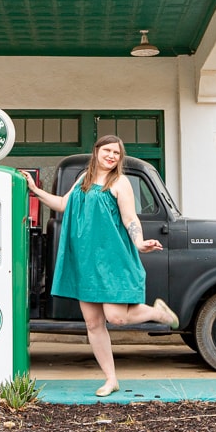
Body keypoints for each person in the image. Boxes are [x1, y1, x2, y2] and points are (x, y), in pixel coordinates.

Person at [24, 135, 179, 397]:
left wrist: (139, 242)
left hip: (112, 258)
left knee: (116, 316)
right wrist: (35, 191)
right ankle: (111, 379)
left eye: (117, 153)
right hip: (85, 260)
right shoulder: (84, 179)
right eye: (107, 150)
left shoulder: (120, 182)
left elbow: (131, 218)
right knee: (94, 324)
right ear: (96, 151)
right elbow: (63, 204)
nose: (111, 156)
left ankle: (156, 313)